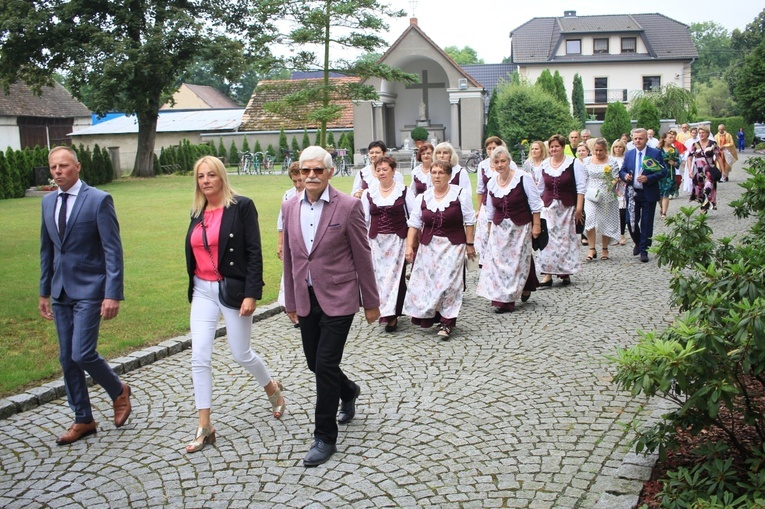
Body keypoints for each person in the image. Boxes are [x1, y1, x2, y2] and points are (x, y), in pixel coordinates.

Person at [281, 146, 380, 467]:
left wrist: (371, 303)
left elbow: (363, 256)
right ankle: (349, 391)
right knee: (314, 363)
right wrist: (291, 300)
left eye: (317, 171)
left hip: (340, 298)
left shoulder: (349, 207)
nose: (311, 176)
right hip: (306, 298)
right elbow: (292, 259)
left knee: (324, 365)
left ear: (330, 172)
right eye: (305, 170)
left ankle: (324, 436)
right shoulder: (289, 206)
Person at [184, 156, 284, 453]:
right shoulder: (197, 211)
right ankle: (205, 426)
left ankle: (271, 388)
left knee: (241, 353)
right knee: (199, 356)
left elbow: (254, 251)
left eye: (211, 175)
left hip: (233, 290)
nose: (205, 181)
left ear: (221, 177)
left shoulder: (241, 206)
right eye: (201, 176)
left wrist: (252, 293)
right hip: (202, 290)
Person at [39, 146, 132, 445]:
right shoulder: (47, 202)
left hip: (91, 289)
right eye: (53, 168)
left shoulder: (98, 200)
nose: (58, 172)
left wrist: (112, 293)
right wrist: (44, 291)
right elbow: (47, 250)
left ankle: (118, 390)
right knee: (67, 359)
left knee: (82, 353)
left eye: (63, 166)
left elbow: (112, 250)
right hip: (60, 291)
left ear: (77, 167)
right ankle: (83, 419)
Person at [403, 160, 476, 339]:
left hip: (453, 245)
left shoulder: (460, 194)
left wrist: (470, 245)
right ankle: (433, 315)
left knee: (450, 284)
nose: (436, 176)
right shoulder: (423, 197)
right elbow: (414, 224)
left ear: (449, 176)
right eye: (434, 172)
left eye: (441, 173)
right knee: (430, 283)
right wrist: (409, 247)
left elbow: (469, 221)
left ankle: (447, 322)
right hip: (429, 247)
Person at [476, 146, 542, 313]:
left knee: (517, 260)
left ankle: (507, 300)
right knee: (499, 263)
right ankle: (501, 295)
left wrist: (536, 225)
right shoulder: (492, 182)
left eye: (503, 161)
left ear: (509, 161)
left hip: (519, 226)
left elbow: (535, 204)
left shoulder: (523, 178)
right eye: (496, 162)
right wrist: (489, 230)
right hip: (499, 227)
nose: (500, 165)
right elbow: (490, 209)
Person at [361, 156, 415, 333]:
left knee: (394, 277)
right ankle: (385, 310)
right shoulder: (368, 193)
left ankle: (391, 315)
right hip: (376, 241)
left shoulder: (404, 191)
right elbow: (364, 220)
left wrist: (410, 244)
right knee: (379, 278)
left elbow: (413, 219)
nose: (381, 172)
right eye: (378, 170)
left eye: (385, 169)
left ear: (393, 170)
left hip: (397, 240)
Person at [536, 134, 585, 287]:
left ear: (563, 147)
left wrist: (578, 208)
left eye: (557, 146)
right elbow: (540, 189)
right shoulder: (544, 165)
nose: (554, 149)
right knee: (547, 240)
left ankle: (565, 272)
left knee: (565, 241)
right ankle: (548, 274)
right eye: (551, 147)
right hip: (548, 208)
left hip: (567, 208)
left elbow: (581, 188)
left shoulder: (573, 163)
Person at [619, 128, 667, 263]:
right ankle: (638, 242)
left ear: (646, 139)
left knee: (646, 222)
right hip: (633, 193)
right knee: (630, 221)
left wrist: (649, 178)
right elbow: (622, 171)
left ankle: (644, 249)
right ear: (632, 139)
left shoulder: (655, 153)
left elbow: (663, 171)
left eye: (640, 138)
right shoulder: (629, 154)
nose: (638, 141)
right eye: (635, 138)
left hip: (648, 192)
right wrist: (625, 176)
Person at [582, 138, 621, 261]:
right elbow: (584, 177)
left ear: (605, 150)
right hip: (591, 194)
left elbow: (615, 177)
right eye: (596, 150)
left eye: (601, 150)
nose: (598, 153)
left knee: (605, 221)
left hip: (607, 194)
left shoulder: (612, 161)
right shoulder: (587, 161)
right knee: (589, 219)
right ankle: (591, 248)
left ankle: (604, 248)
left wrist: (611, 185)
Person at [277, 162, 304, 314]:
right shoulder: (288, 195)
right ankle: (292, 306)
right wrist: (280, 243)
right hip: (292, 241)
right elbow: (281, 221)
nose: (298, 184)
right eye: (295, 181)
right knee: (290, 273)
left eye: (300, 180)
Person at [475, 136, 506, 261]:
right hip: (487, 205)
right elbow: (480, 189)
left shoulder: (508, 163)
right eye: (489, 148)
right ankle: (487, 262)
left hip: (503, 205)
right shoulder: (483, 165)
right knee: (486, 235)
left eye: (495, 147)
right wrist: (478, 209)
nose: (492, 150)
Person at [686, 125, 723, 213]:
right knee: (699, 191)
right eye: (700, 133)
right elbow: (689, 157)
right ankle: (703, 203)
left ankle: (704, 208)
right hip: (698, 171)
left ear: (707, 134)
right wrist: (690, 170)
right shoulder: (695, 145)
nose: (701, 134)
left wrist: (722, 170)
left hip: (709, 170)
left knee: (708, 187)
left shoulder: (712, 144)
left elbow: (718, 157)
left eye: (703, 133)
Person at [657, 131, 681, 218]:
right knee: (659, 194)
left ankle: (664, 213)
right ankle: (662, 206)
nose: (672, 139)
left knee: (666, 193)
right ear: (664, 138)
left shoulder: (674, 150)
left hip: (669, 174)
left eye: (673, 137)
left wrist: (674, 163)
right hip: (659, 174)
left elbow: (678, 162)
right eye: (670, 137)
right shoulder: (657, 150)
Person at [610, 140, 628, 246]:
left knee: (622, 211)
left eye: (620, 147)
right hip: (612, 186)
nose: (618, 149)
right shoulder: (610, 159)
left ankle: (621, 234)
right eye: (615, 146)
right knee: (612, 211)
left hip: (623, 186)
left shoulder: (625, 159)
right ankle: (612, 234)